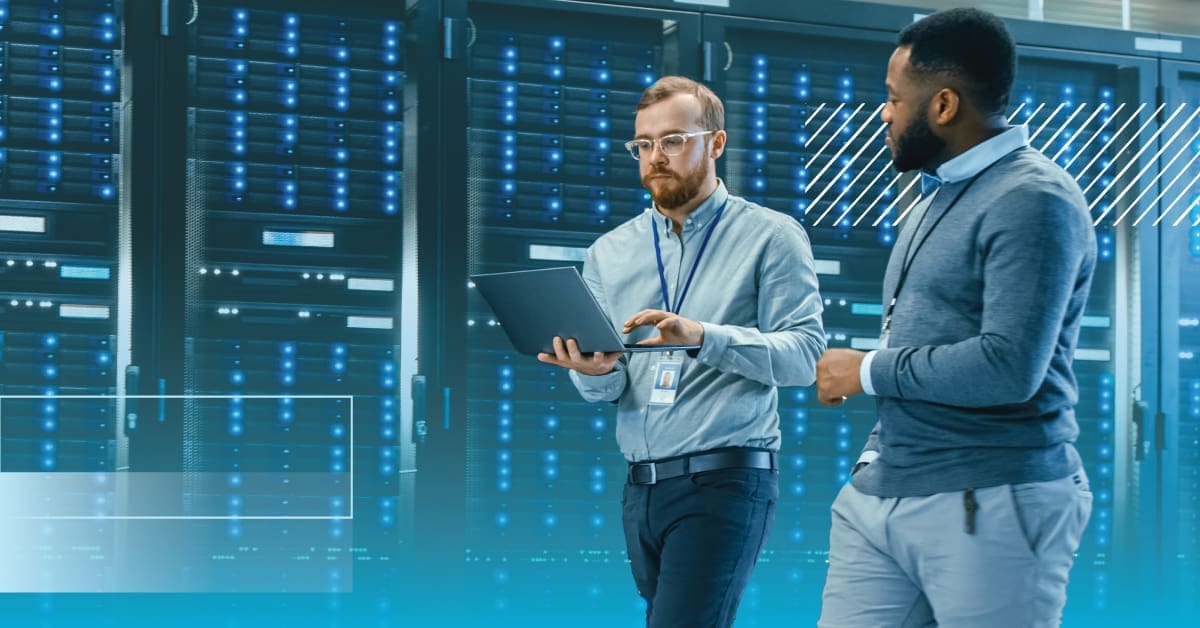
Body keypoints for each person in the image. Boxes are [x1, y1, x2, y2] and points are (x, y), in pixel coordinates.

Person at [815, 8, 1095, 627]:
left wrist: (866, 372)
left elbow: (1008, 367)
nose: (884, 114)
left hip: (990, 498)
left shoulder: (1033, 200)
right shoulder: (931, 201)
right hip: (884, 496)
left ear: (943, 105)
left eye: (893, 98)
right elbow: (916, 338)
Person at [536, 75, 825, 627]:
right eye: (643, 144)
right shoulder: (610, 252)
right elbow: (610, 386)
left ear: (715, 144)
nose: (655, 156)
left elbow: (804, 356)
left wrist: (702, 337)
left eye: (672, 140)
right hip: (640, 489)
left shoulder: (772, 236)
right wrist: (592, 371)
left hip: (725, 479)